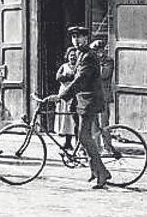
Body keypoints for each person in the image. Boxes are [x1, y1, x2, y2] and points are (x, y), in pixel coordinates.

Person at [45, 26, 110, 188]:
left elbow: (80, 80)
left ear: (86, 39)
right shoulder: (80, 54)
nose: (76, 40)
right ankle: (95, 170)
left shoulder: (88, 56)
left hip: (90, 100)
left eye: (79, 37)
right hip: (80, 100)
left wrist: (61, 96)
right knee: (81, 134)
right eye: (73, 37)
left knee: (83, 136)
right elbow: (74, 75)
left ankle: (102, 172)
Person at [89, 39, 119, 157]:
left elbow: (104, 75)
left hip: (103, 97)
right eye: (95, 51)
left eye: (99, 50)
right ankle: (97, 148)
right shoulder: (92, 61)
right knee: (94, 124)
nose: (98, 53)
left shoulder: (108, 61)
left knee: (104, 124)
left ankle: (107, 147)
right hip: (92, 96)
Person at [54, 45, 79, 152]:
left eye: (75, 55)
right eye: (71, 55)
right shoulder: (64, 66)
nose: (73, 57)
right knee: (66, 119)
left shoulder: (79, 66)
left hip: (74, 95)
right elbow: (58, 77)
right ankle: (67, 142)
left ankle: (77, 143)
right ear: (67, 56)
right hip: (64, 94)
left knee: (74, 119)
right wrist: (69, 77)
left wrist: (70, 77)